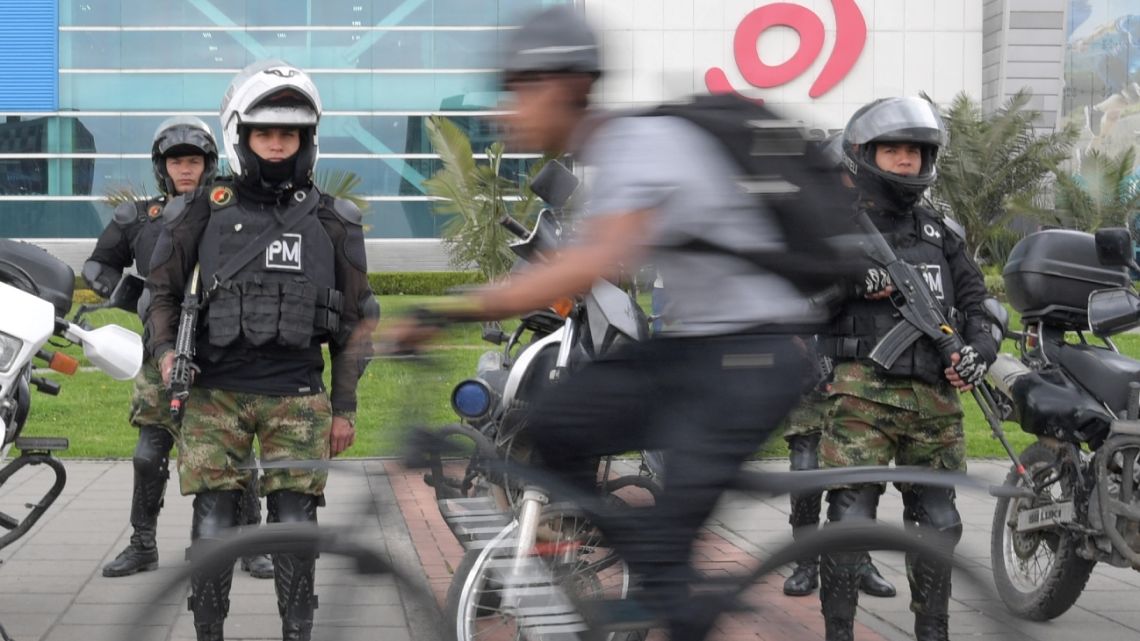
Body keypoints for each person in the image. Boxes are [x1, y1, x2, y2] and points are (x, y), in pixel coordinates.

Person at [389, 7, 863, 640]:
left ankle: (673, 601)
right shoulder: (618, 153)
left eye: (517, 92)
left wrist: (443, 311)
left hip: (752, 360)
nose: (507, 113)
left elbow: (581, 267)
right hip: (698, 350)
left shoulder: (641, 145)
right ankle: (588, 568)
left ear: (562, 86)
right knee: (557, 421)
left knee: (671, 571)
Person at [145, 60, 377, 641]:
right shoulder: (201, 208)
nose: (276, 144)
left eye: (288, 133)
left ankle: (297, 632)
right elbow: (163, 292)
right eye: (264, 132)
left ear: (306, 140)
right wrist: (170, 354)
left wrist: (344, 408)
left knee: (296, 522)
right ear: (241, 135)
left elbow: (357, 319)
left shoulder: (334, 220)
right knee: (214, 519)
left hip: (297, 395)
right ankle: (208, 633)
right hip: (213, 392)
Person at [815, 97, 998, 641]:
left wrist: (979, 352)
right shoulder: (835, 233)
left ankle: (933, 631)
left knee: (939, 526)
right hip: (860, 400)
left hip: (936, 403)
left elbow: (980, 306)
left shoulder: (945, 235)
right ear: (863, 154)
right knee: (850, 523)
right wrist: (849, 283)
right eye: (891, 150)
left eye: (914, 152)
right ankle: (839, 633)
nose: (903, 162)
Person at [83, 117, 274, 580]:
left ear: (209, 165)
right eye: (176, 161)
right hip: (161, 354)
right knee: (149, 453)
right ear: (161, 167)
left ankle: (250, 545)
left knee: (235, 455)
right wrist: (139, 299)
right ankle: (141, 543)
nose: (185, 170)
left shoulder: (230, 213)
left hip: (221, 354)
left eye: (194, 161)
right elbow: (96, 265)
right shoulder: (140, 218)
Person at [781, 134, 895, 599]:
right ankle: (806, 562)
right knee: (807, 469)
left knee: (862, 473)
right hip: (810, 359)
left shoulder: (877, 222)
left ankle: (857, 559)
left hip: (862, 365)